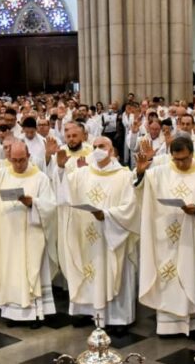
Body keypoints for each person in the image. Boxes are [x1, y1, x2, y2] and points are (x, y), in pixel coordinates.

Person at [136, 136, 195, 336]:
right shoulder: (161, 172)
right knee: (167, 278)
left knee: (192, 275)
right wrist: (140, 171)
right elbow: (140, 186)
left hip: (193, 236)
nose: (180, 163)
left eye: (184, 159)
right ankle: (167, 326)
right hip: (166, 237)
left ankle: (194, 324)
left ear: (192, 154)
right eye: (176, 159)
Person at [58, 136, 139, 329]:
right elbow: (64, 196)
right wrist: (61, 169)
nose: (97, 149)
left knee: (114, 271)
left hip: (113, 236)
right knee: (89, 272)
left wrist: (108, 216)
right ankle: (88, 312)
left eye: (102, 146)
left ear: (111, 151)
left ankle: (118, 319)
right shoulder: (81, 173)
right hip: (87, 236)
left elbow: (131, 206)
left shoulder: (124, 175)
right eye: (94, 146)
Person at [0, 141, 57, 325]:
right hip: (8, 235)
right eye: (15, 160)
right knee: (10, 271)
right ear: (9, 158)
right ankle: (12, 313)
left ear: (28, 156)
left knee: (32, 272)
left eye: (22, 160)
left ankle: (35, 314)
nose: (18, 164)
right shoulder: (0, 174)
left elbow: (50, 206)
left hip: (31, 234)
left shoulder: (40, 178)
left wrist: (32, 203)